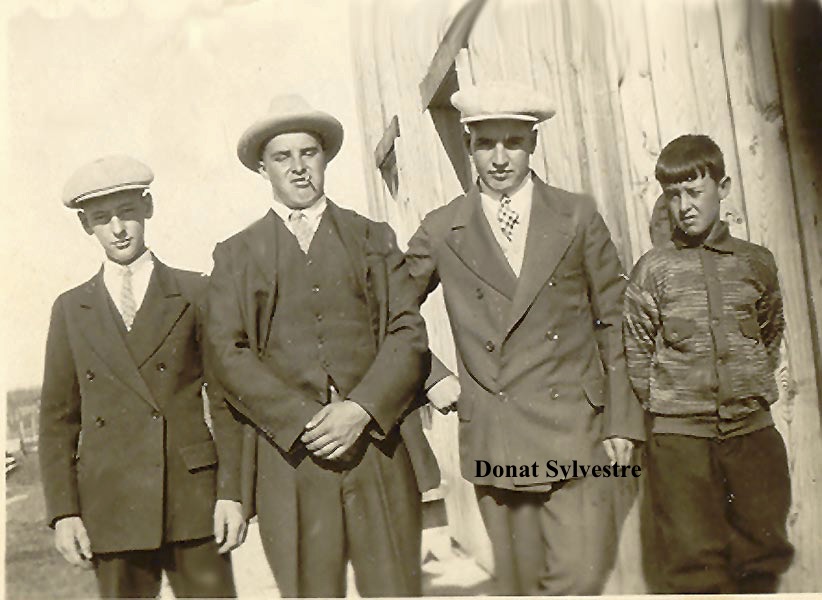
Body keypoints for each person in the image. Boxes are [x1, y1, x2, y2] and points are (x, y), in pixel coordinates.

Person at [404, 82, 644, 595]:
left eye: (512, 141)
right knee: (519, 583)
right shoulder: (444, 227)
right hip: (497, 432)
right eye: (486, 143)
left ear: (533, 142)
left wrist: (621, 417)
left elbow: (614, 320)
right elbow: (389, 311)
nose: (499, 158)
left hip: (576, 430)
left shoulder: (576, 216)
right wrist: (432, 376)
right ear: (468, 144)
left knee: (579, 577)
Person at [205, 94, 439, 598]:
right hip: (291, 459)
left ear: (325, 158)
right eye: (282, 157)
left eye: (308, 153)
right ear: (263, 168)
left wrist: (360, 408)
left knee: (395, 585)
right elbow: (228, 354)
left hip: (377, 446)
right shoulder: (236, 255)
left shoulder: (372, 237)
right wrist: (303, 420)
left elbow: (408, 331)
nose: (298, 168)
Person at [39, 155, 245, 598]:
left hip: (193, 500)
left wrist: (232, 492)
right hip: (110, 505)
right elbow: (57, 421)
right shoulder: (71, 309)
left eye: (128, 212)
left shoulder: (195, 291)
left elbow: (228, 402)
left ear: (147, 208)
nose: (118, 229)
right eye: (101, 218)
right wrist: (63, 512)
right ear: (84, 226)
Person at [623, 134, 794, 594]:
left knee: (761, 553)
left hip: (751, 436)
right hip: (681, 444)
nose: (684, 206)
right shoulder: (652, 270)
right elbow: (638, 355)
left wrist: (745, 386)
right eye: (673, 195)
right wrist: (674, 407)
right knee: (693, 562)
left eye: (695, 192)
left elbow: (769, 332)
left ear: (724, 187)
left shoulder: (756, 263)